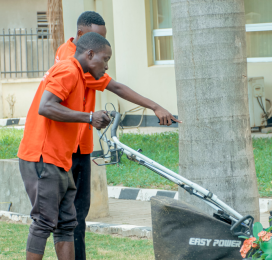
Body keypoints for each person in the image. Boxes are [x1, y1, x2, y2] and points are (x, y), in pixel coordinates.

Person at [55, 11, 181, 260]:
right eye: (97, 42)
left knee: (78, 214)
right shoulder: (74, 62)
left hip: (81, 145)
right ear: (83, 39)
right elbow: (117, 87)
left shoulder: (74, 54)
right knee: (71, 218)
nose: (103, 55)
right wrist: (155, 106)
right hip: (67, 149)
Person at [17, 32, 112, 260]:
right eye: (105, 59)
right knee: (44, 222)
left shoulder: (79, 75)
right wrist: (89, 117)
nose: (107, 66)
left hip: (60, 160)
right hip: (43, 157)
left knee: (67, 223)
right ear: (90, 54)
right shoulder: (68, 70)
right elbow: (46, 106)